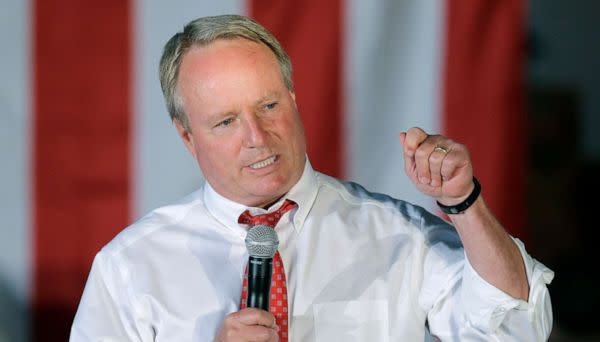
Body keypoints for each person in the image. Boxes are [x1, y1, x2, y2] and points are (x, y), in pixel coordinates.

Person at [70, 14, 554, 341]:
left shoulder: (399, 234)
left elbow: (518, 328)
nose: (257, 137)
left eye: (269, 106)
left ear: (294, 100)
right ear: (186, 137)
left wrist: (465, 205)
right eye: (225, 122)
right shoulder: (129, 267)